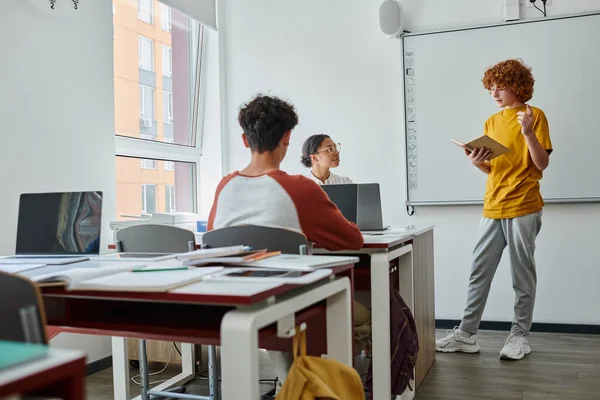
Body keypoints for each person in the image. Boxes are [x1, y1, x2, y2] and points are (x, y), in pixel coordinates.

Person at [207, 94, 371, 389]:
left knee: (273, 296)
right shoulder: (298, 188)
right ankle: (320, 379)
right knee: (372, 314)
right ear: (287, 137)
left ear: (245, 140)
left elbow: (213, 241)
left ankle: (293, 381)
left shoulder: (224, 187)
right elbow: (353, 239)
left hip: (235, 304)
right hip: (293, 306)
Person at [435, 59, 552, 360]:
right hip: (493, 204)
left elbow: (541, 164)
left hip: (524, 204)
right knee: (479, 271)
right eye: (491, 88)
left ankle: (519, 337)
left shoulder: (534, 115)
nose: (495, 93)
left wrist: (528, 134)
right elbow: (494, 169)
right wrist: (476, 160)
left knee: (521, 273)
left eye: (500, 86)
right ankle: (466, 334)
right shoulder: (491, 121)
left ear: (517, 86)